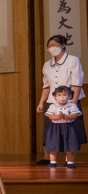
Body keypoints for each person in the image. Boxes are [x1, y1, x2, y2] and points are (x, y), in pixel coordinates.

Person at [36, 35, 86, 165]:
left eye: (54, 45)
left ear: (62, 46)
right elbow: (46, 86)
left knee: (70, 129)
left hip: (69, 100)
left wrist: (72, 104)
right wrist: (41, 102)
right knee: (50, 129)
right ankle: (48, 158)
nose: (51, 48)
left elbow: (77, 84)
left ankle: (68, 160)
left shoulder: (73, 60)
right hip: (53, 102)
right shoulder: (47, 65)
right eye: (49, 46)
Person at [45, 86, 82, 169]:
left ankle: (70, 162)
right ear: (55, 97)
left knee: (70, 145)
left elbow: (75, 115)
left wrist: (65, 116)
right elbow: (50, 116)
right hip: (55, 128)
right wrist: (58, 117)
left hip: (69, 127)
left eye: (65, 95)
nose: (62, 97)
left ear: (70, 96)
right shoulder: (52, 106)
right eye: (59, 95)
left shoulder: (72, 105)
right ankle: (53, 162)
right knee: (53, 145)